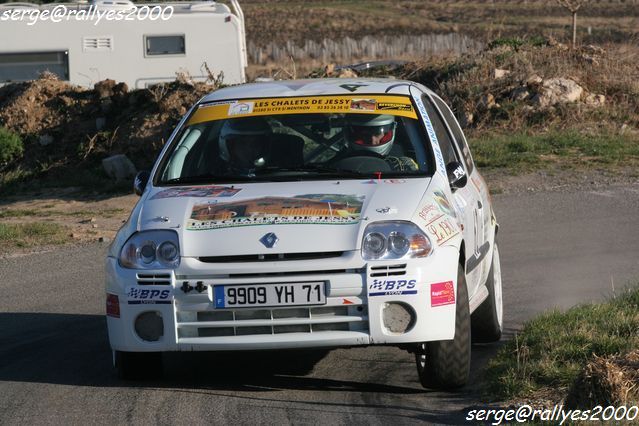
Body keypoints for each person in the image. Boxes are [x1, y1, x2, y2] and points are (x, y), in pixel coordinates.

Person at [342, 114, 418, 171]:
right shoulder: (338, 162)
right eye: (365, 134)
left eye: (377, 133)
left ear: (387, 132)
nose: (372, 140)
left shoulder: (404, 165)